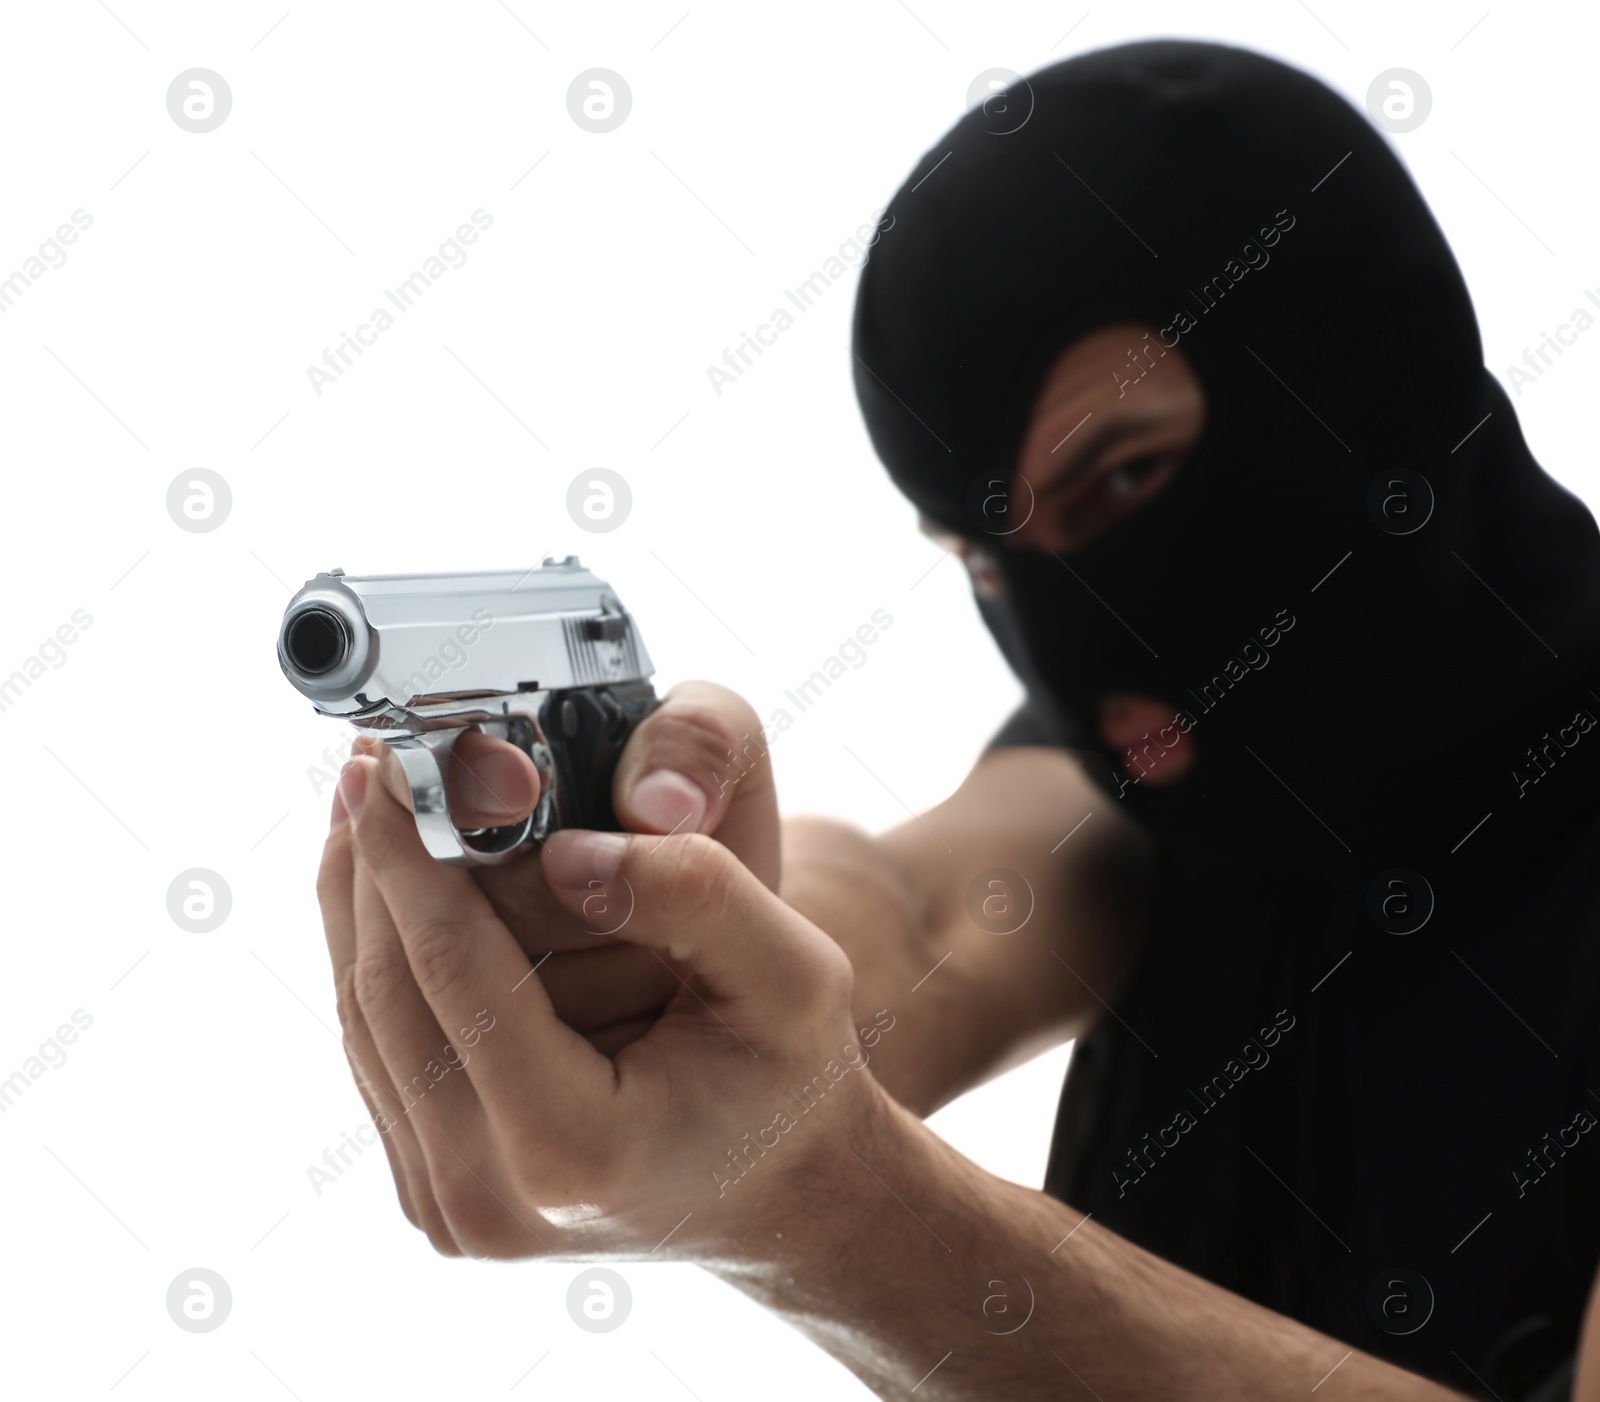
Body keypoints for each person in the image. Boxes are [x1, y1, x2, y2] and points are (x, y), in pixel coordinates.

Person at [314, 42, 1600, 1401]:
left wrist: (839, 1212)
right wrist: (649, 926)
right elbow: (918, 916)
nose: (1066, 632)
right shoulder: (1187, 782)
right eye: (987, 563)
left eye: (1125, 476)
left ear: (1364, 380)